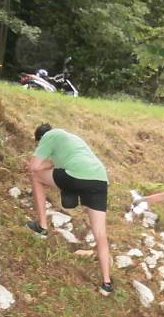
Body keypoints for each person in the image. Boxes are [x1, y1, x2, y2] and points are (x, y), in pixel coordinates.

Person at [25, 123, 113, 295]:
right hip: (100, 179)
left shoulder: (49, 136)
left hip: (77, 175)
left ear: (41, 139)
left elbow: (33, 167)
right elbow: (60, 165)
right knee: (100, 233)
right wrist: (50, 166)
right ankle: (107, 284)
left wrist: (42, 165)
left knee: (36, 177)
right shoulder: (72, 138)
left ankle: (42, 227)